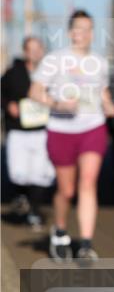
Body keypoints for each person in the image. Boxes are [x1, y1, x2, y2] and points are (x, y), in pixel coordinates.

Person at [30, 10, 114, 262]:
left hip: (92, 126)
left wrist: (109, 105)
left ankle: (86, 245)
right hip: (61, 129)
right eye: (78, 28)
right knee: (66, 190)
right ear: (70, 32)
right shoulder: (54, 60)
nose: (83, 34)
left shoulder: (99, 62)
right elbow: (35, 91)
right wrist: (58, 104)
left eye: (88, 29)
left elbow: (102, 91)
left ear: (92, 33)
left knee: (88, 183)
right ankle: (59, 231)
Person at [1, 36, 55, 230]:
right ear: (25, 52)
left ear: (42, 51)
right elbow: (2, 94)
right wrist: (8, 106)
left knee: (40, 173)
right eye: (30, 49)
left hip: (42, 130)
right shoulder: (13, 73)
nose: (34, 53)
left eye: (37, 48)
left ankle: (35, 212)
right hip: (18, 129)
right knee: (19, 173)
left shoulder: (52, 74)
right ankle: (21, 195)